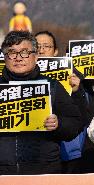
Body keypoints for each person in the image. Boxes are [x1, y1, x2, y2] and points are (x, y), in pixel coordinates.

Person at [0, 31, 83, 174]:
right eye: (12, 53)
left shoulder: (52, 86)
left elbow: (75, 123)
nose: (18, 58)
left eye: (25, 52)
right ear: (5, 57)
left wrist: (59, 124)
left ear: (36, 56)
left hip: (44, 170)